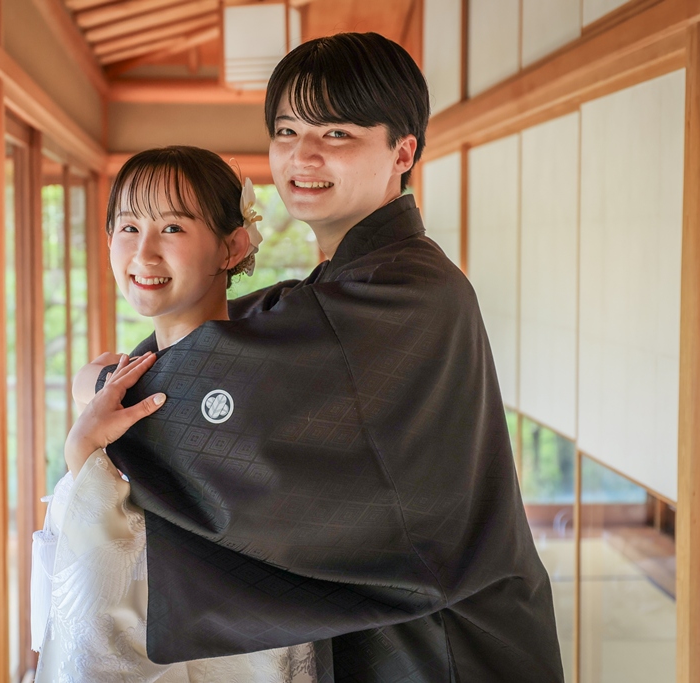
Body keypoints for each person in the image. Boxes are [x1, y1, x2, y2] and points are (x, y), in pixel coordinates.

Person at [72, 33, 564, 682]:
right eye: (287, 129)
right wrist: (120, 374)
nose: (303, 154)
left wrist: (107, 392)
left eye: (336, 133)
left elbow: (245, 385)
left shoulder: (404, 292)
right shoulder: (356, 282)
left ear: (402, 150)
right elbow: (250, 331)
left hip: (446, 649)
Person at [32, 147, 318, 682]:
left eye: (172, 229)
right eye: (128, 227)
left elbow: (150, 567)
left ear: (231, 246)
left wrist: (83, 455)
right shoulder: (138, 373)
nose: (143, 253)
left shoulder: (238, 384)